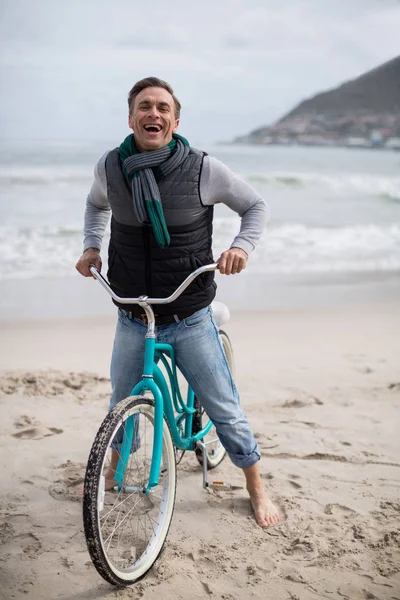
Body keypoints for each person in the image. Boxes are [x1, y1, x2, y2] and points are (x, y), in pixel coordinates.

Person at [75, 77, 280, 528]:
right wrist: (91, 246)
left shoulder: (204, 169)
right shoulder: (110, 168)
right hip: (133, 311)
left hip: (188, 314)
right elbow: (95, 207)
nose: (154, 114)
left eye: (162, 107)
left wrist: (240, 247)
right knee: (120, 402)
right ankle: (110, 471)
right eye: (144, 106)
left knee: (223, 406)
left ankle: (255, 486)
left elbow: (255, 206)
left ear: (175, 119)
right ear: (130, 118)